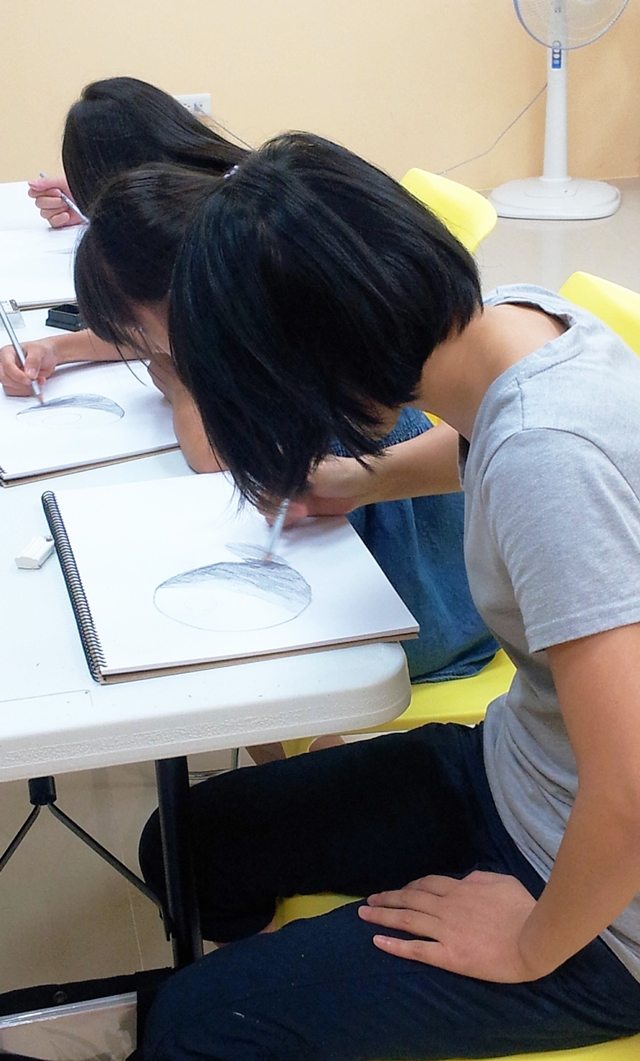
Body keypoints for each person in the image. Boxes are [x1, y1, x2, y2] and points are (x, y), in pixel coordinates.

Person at [75, 134, 640, 1059]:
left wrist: (529, 943)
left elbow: (631, 789)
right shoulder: (518, 325)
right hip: (521, 773)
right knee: (191, 841)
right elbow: (480, 435)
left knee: (193, 1029)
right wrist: (358, 480)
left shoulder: (550, 458)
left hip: (601, 911)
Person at [0, 77, 249, 473]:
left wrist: (182, 390)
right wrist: (56, 349)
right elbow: (158, 329)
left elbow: (215, 455)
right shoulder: (233, 193)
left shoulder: (232, 251)